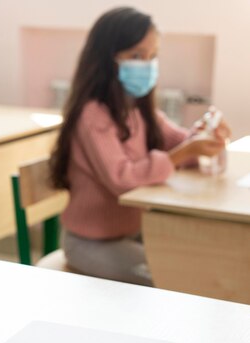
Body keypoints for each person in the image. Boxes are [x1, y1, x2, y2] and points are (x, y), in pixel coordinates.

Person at [49, 7, 230, 286]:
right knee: (179, 276)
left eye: (152, 56)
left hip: (132, 233)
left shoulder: (136, 108)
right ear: (107, 57)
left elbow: (179, 143)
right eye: (136, 56)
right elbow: (123, 179)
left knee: (203, 259)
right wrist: (187, 151)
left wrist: (205, 136)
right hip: (90, 243)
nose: (146, 65)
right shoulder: (93, 114)